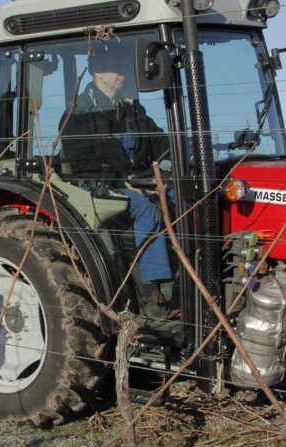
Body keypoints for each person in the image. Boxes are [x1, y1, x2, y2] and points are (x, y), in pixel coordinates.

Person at [61, 41, 174, 307]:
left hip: (139, 180)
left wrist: (168, 165)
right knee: (145, 207)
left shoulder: (132, 110)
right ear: (97, 71)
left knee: (181, 197)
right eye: (116, 68)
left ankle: (186, 273)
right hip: (95, 185)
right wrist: (124, 182)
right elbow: (82, 164)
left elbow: (161, 142)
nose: (123, 72)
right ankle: (153, 291)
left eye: (124, 66)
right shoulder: (77, 114)